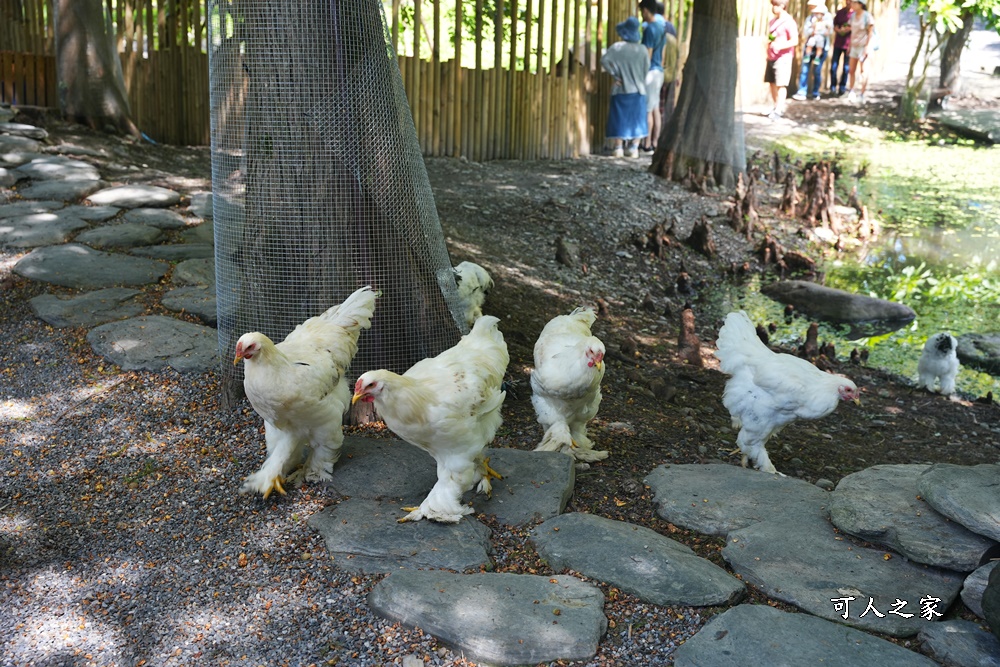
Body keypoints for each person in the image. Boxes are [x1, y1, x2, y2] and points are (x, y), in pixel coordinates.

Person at [601, 16, 649, 157]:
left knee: (619, 117)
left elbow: (604, 61)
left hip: (620, 89)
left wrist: (615, 75)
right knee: (638, 119)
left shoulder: (617, 48)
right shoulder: (643, 50)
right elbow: (646, 69)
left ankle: (618, 148)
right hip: (638, 89)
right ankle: (634, 148)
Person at [637, 0, 668, 152]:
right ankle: (655, 141)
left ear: (646, 10)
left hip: (650, 72)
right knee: (655, 108)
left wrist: (642, 73)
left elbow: (647, 54)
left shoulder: (649, 29)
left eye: (641, 11)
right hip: (659, 71)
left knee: (648, 109)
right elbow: (662, 53)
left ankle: (647, 143)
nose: (641, 15)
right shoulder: (662, 28)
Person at [791, 0, 833, 101]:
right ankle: (802, 91)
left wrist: (822, 31)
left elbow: (829, 31)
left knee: (817, 70)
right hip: (811, 43)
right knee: (804, 69)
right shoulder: (810, 19)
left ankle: (815, 92)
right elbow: (806, 31)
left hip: (822, 45)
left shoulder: (827, 18)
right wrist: (813, 30)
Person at [764, 0, 798, 120]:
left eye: (775, 5)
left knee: (781, 84)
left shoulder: (789, 22)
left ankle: (779, 109)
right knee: (771, 82)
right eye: (772, 5)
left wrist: (781, 46)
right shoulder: (772, 21)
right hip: (771, 56)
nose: (773, 8)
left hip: (783, 57)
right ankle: (775, 106)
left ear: (782, 6)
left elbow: (795, 40)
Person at [846, 0, 874, 104]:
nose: (852, 4)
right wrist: (849, 45)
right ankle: (852, 91)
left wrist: (867, 47)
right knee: (852, 69)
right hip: (854, 45)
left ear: (860, 4)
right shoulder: (852, 16)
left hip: (863, 46)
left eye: (854, 2)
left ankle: (862, 94)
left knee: (863, 71)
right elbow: (851, 31)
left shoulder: (867, 17)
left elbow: (870, 33)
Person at [830, 0, 852, 96]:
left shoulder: (855, 14)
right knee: (834, 66)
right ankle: (833, 87)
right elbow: (834, 24)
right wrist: (838, 30)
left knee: (846, 67)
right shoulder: (840, 12)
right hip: (838, 43)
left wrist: (849, 29)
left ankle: (842, 87)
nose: (848, 2)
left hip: (848, 44)